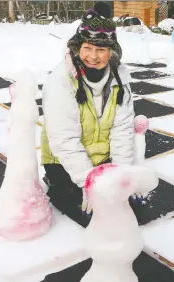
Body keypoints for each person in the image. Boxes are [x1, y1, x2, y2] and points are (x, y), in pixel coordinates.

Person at [41, 2, 143, 228]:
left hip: (102, 159)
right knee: (94, 218)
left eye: (101, 50)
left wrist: (120, 176)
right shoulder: (60, 80)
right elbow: (63, 138)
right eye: (87, 48)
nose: (93, 56)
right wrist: (88, 182)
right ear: (78, 48)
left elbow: (122, 130)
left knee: (126, 209)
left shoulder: (120, 80)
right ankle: (58, 183)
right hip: (64, 162)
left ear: (112, 52)